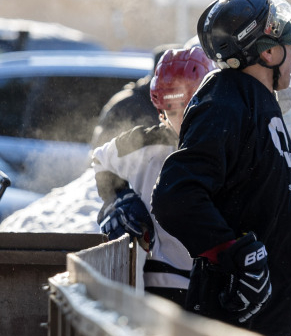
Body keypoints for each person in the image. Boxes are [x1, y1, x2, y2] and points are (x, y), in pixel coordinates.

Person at [151, 0, 291, 336]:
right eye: (289, 48)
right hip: (238, 324)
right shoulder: (225, 100)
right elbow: (176, 195)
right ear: (268, 52)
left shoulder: (258, 102)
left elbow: (254, 194)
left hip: (274, 317)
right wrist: (230, 254)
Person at [91, 46, 214, 305]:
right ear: (160, 109)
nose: (181, 120)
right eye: (172, 111)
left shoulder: (226, 146)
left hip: (214, 286)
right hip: (157, 285)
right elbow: (101, 158)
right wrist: (120, 198)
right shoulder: (145, 143)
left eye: (188, 108)